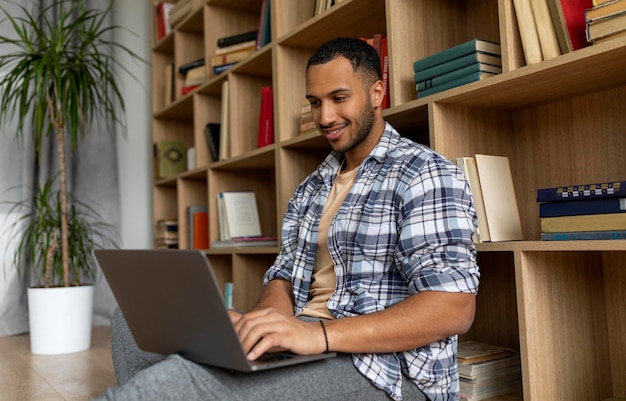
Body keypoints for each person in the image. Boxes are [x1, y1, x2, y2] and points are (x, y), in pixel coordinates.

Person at [94, 37, 479, 401]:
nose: (325, 116)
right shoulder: (312, 187)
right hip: (308, 342)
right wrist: (262, 325)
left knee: (172, 382)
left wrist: (319, 336)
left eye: (339, 98)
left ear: (377, 93)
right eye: (315, 102)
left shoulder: (425, 173)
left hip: (386, 369)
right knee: (132, 322)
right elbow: (284, 276)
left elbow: (453, 307)